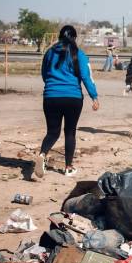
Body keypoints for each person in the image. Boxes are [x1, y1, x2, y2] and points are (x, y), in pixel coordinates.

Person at [34, 25, 99, 179]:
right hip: (73, 98)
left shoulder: (49, 53)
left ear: (60, 37)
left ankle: (42, 154)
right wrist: (94, 96)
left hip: (51, 96)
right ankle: (68, 168)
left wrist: (53, 86)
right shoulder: (79, 54)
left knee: (52, 132)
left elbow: (44, 74)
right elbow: (86, 77)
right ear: (74, 38)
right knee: (70, 132)